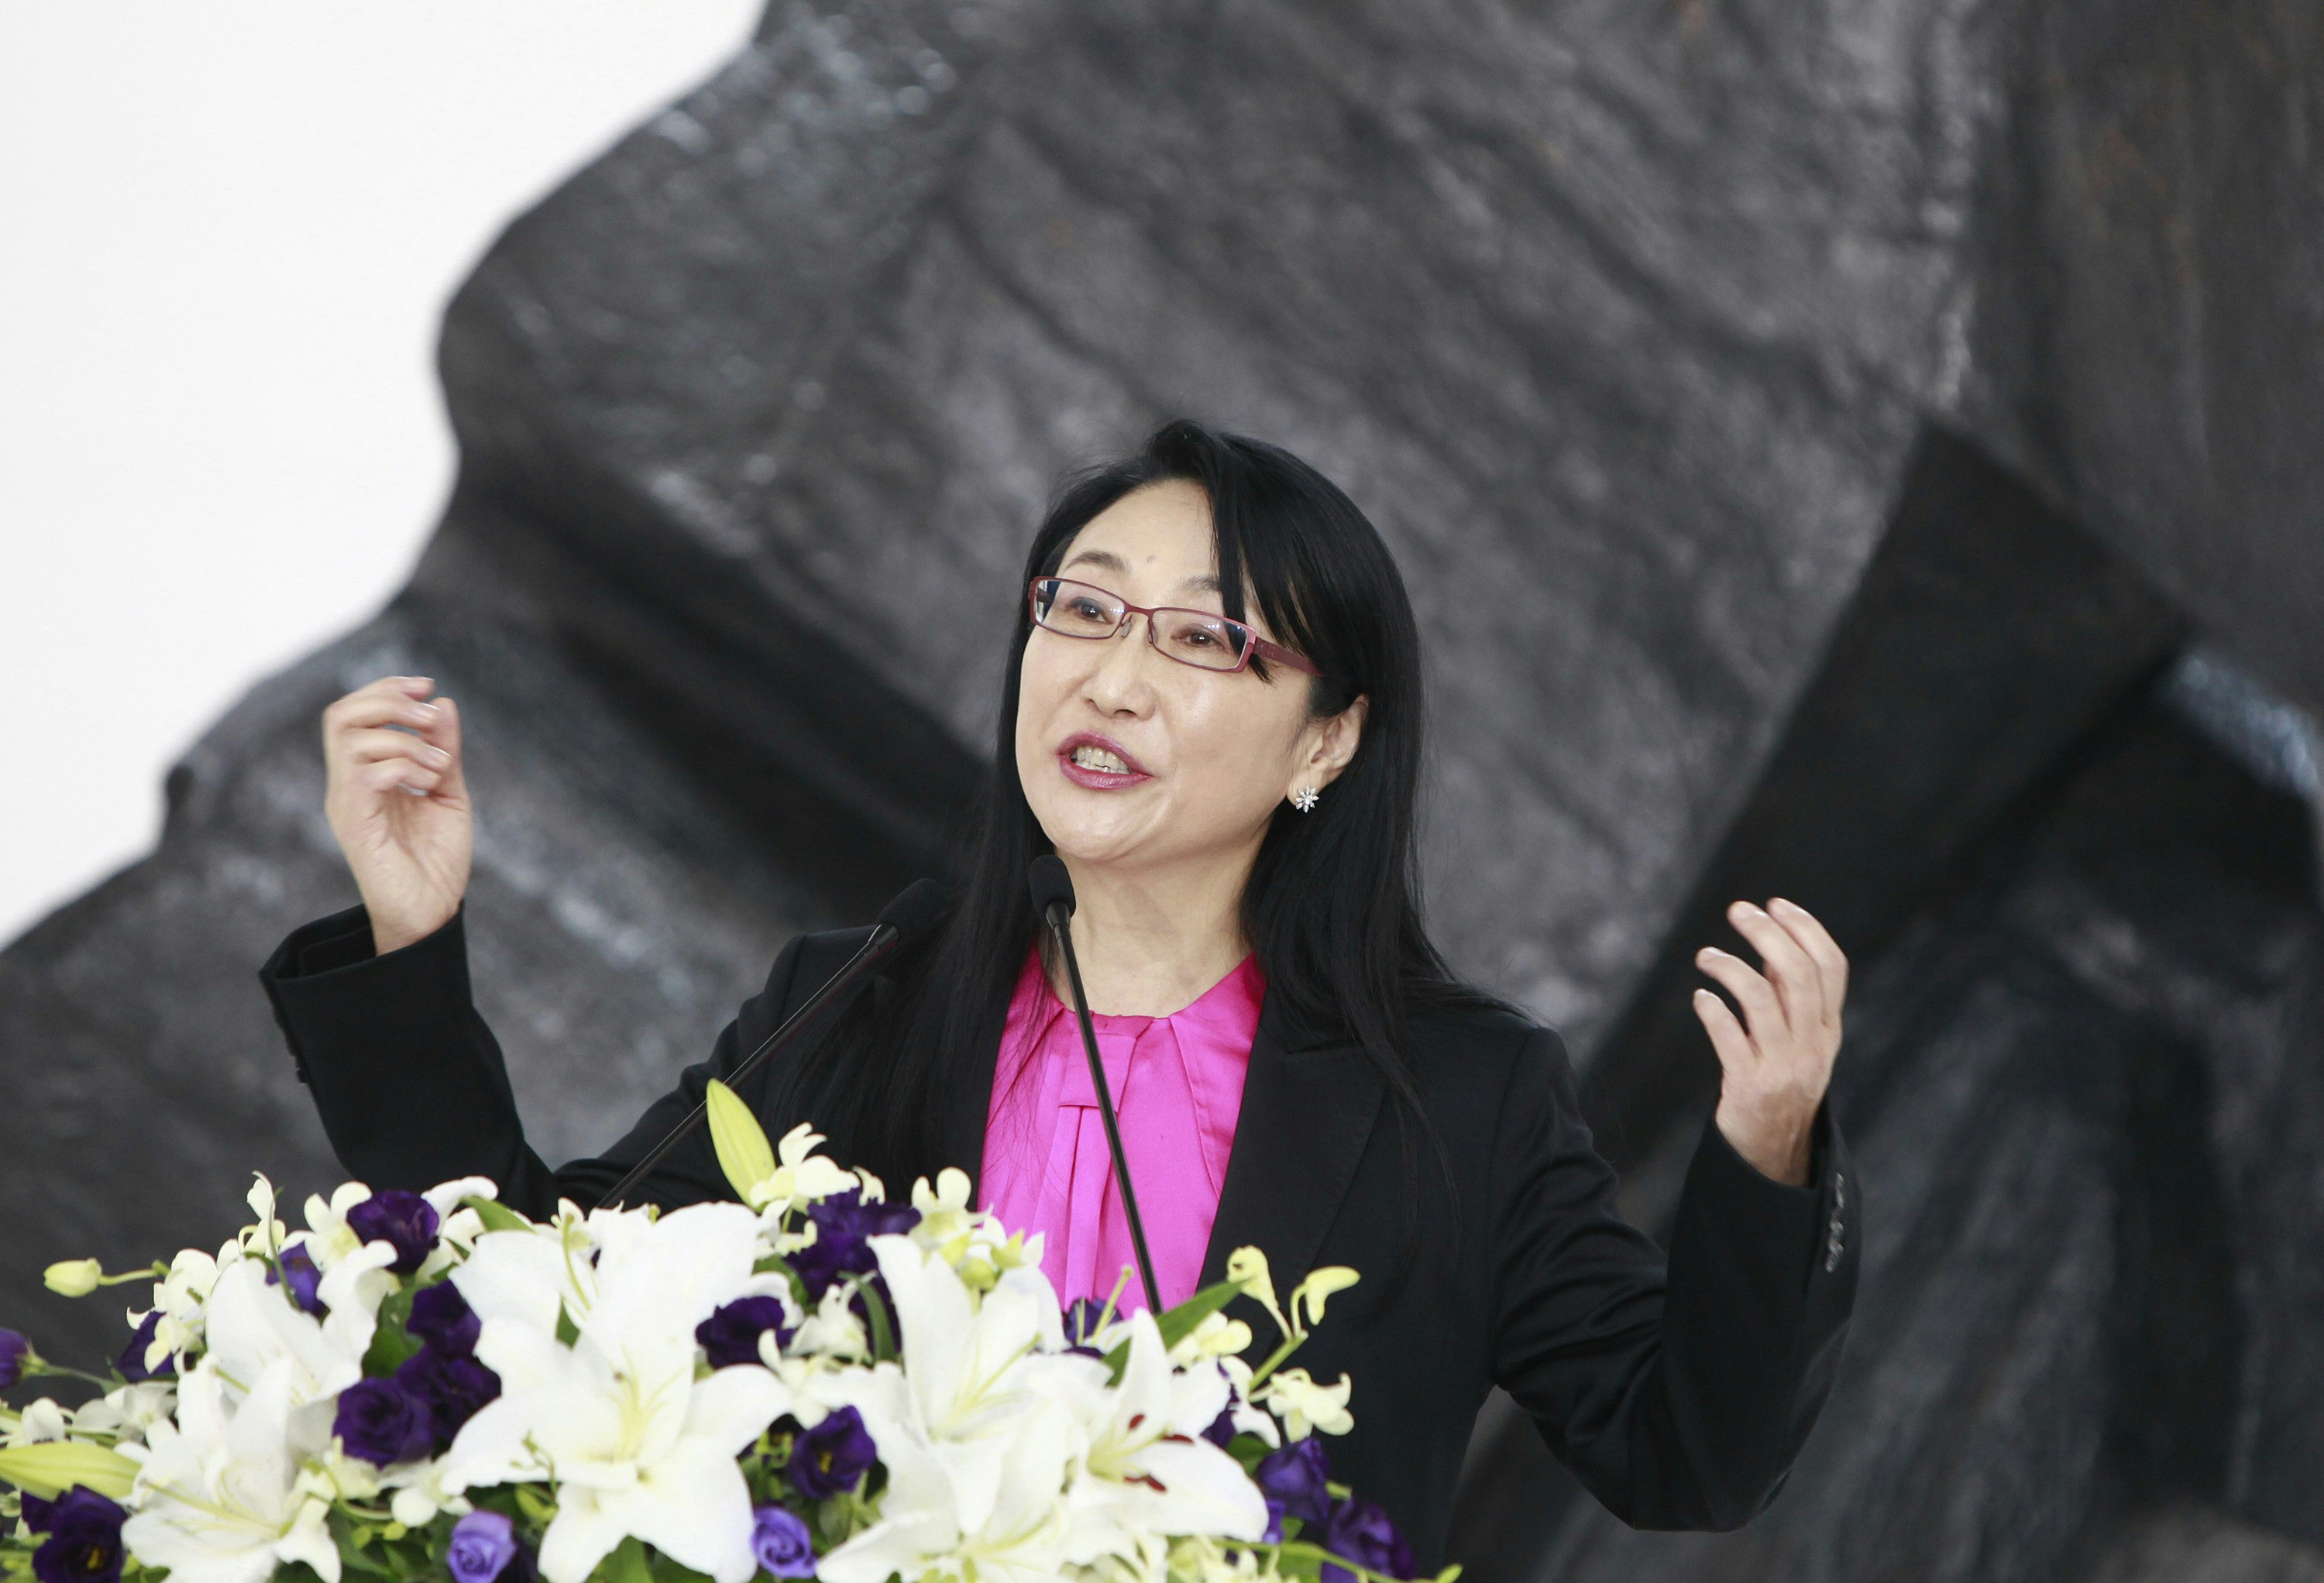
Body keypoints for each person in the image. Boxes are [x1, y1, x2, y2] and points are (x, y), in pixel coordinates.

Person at [260, 419, 1858, 1571]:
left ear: (1327, 739)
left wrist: (1772, 1143)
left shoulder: (1457, 1093)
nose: (1112, 677)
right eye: (1081, 609)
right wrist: (411, 937)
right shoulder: (862, 999)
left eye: (1206, 640)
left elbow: (1686, 1453)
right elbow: (541, 1293)